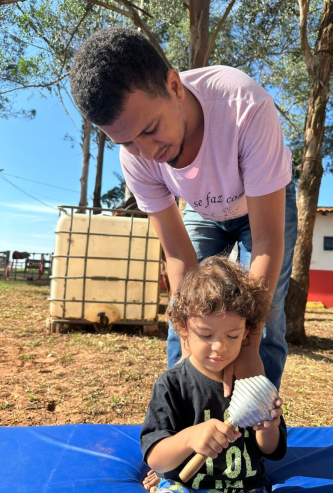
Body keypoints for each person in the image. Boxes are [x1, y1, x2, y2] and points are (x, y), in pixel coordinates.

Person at [70, 27, 297, 391]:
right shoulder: (137, 158)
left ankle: (257, 422)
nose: (146, 152)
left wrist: (249, 345)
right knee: (187, 311)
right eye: (126, 142)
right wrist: (192, 344)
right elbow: (177, 254)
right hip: (202, 209)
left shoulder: (245, 107)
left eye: (151, 129)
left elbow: (268, 241)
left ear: (175, 86)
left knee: (264, 318)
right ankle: (184, 413)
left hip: (264, 205)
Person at [140, 256, 287, 493]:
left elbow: (272, 451)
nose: (219, 347)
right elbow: (156, 458)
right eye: (206, 335)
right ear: (183, 328)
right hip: (186, 486)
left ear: (246, 331)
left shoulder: (254, 384)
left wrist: (269, 427)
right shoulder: (172, 385)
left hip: (247, 487)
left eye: (232, 336)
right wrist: (190, 438)